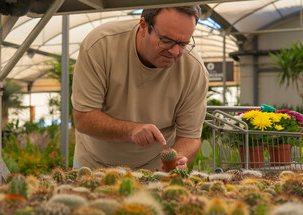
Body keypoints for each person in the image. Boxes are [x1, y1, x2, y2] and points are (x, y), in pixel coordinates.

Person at [71, 5, 209, 171]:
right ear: (144, 26)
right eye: (166, 40)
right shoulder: (101, 45)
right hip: (94, 165)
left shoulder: (193, 70)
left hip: (153, 171)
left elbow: (190, 137)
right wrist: (131, 130)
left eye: (183, 43)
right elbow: (83, 118)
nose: (174, 51)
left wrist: (177, 159)